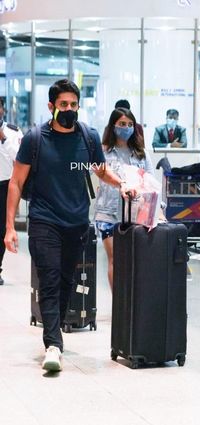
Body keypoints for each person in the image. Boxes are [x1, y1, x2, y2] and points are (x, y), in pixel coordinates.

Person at [4, 79, 136, 372]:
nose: (69, 110)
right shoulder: (35, 138)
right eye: (63, 105)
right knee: (50, 280)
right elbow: (16, 182)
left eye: (73, 104)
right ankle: (53, 343)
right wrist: (10, 227)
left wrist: (123, 184)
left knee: (65, 281)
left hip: (76, 223)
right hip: (44, 220)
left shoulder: (87, 137)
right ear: (51, 107)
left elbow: (101, 172)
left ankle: (55, 331)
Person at [94, 107, 155, 291]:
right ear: (113, 126)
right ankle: (119, 304)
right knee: (115, 259)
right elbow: (93, 170)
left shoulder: (141, 153)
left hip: (136, 214)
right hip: (108, 214)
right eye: (122, 124)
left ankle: (132, 302)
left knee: (133, 259)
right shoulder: (103, 152)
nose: (126, 128)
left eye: (130, 124)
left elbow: (151, 180)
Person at [0, 97, 23, 285]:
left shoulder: (13, 132)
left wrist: (4, 139)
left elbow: (20, 159)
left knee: (2, 229)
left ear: (3, 110)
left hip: (5, 186)